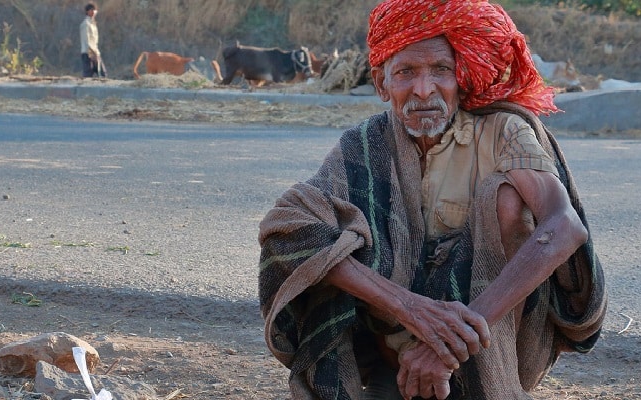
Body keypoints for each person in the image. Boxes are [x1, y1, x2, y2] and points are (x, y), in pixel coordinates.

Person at [257, 0, 607, 399]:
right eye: (406, 72)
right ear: (381, 83)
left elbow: (563, 225)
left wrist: (450, 342)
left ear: (460, 74)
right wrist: (412, 310)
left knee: (508, 200)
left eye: (440, 70)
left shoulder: (501, 130)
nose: (424, 90)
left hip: (494, 343)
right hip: (389, 345)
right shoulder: (364, 145)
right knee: (323, 231)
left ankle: (484, 381)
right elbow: (290, 224)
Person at [79, 2, 106, 78]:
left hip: (95, 53)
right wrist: (93, 52)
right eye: (91, 10)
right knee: (88, 76)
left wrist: (96, 52)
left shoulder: (93, 24)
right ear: (87, 11)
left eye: (94, 10)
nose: (93, 12)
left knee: (103, 75)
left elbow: (95, 41)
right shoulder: (85, 24)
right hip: (88, 53)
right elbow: (87, 41)